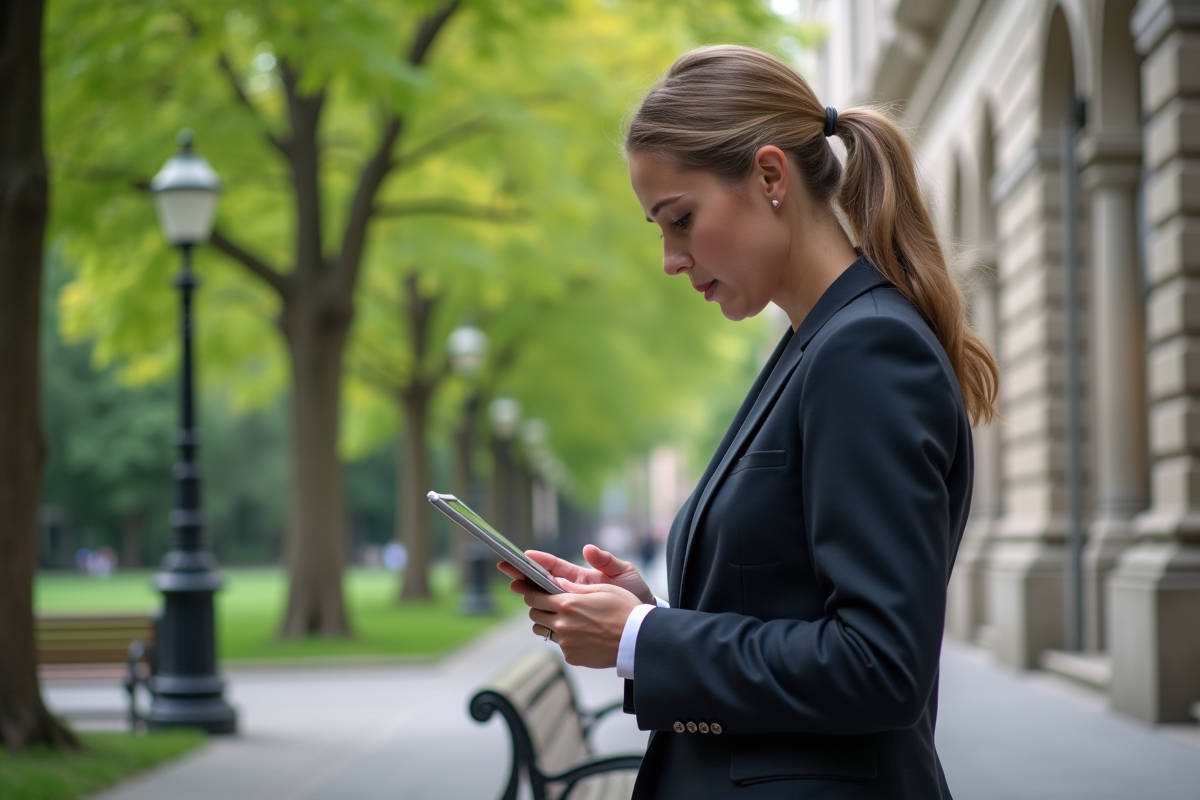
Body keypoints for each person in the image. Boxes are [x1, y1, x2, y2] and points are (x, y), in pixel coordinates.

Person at [499, 45, 998, 799]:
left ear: (770, 177)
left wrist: (643, 640)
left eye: (681, 219)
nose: (669, 258)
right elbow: (791, 603)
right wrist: (641, 612)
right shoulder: (815, 344)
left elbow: (878, 664)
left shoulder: (864, 349)